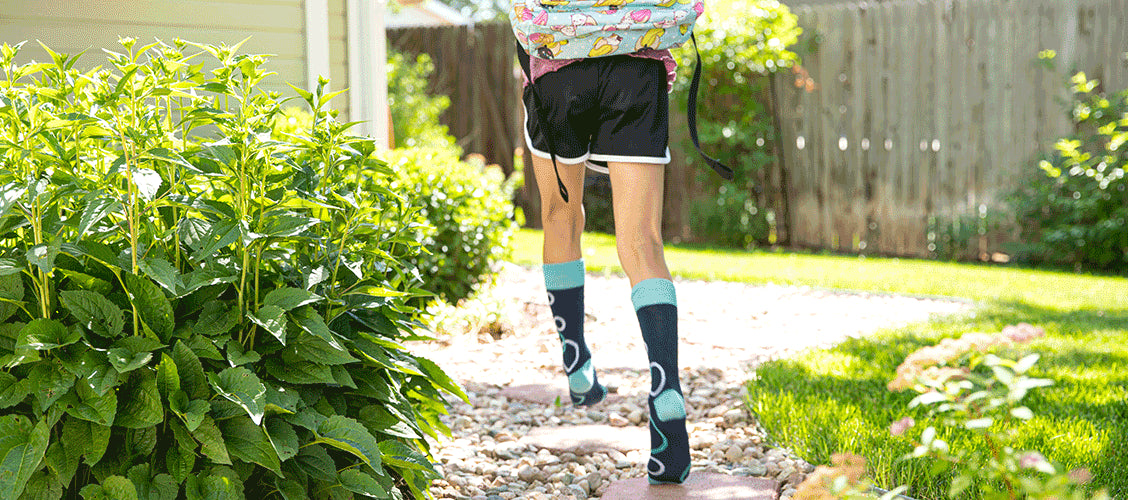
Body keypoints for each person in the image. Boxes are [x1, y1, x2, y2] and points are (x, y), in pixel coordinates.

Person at [518, 45, 692, 485]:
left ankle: (576, 360)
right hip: (635, 71)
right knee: (642, 242)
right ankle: (665, 383)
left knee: (562, 216)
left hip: (559, 72)